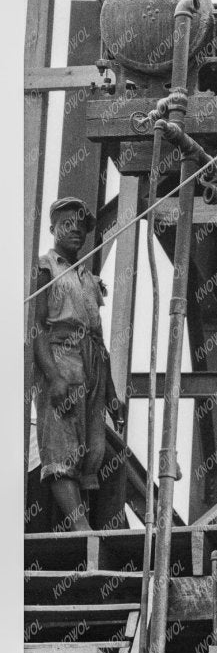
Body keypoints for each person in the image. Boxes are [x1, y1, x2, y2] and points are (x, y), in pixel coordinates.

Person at [33, 195, 119, 530]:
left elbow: (99, 338)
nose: (75, 230)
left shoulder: (89, 279)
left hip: (92, 362)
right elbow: (37, 325)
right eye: (67, 223)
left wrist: (111, 393)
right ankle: (80, 527)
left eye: (80, 224)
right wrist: (53, 376)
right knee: (61, 441)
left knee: (92, 449)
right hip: (61, 355)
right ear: (53, 227)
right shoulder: (46, 268)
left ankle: (89, 523)